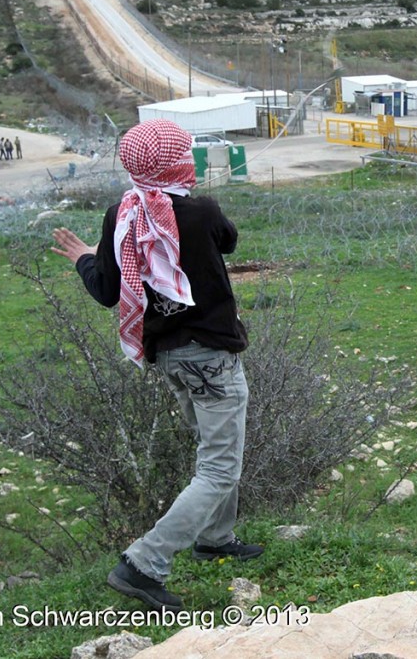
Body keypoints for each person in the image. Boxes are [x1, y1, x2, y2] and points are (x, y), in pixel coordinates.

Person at [50, 119, 262, 612]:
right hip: (211, 357)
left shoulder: (120, 215)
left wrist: (87, 257)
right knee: (219, 465)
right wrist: (194, 203)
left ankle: (215, 538)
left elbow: (106, 290)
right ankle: (144, 564)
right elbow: (227, 241)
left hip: (168, 358)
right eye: (184, 153)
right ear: (176, 161)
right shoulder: (200, 210)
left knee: (214, 452)